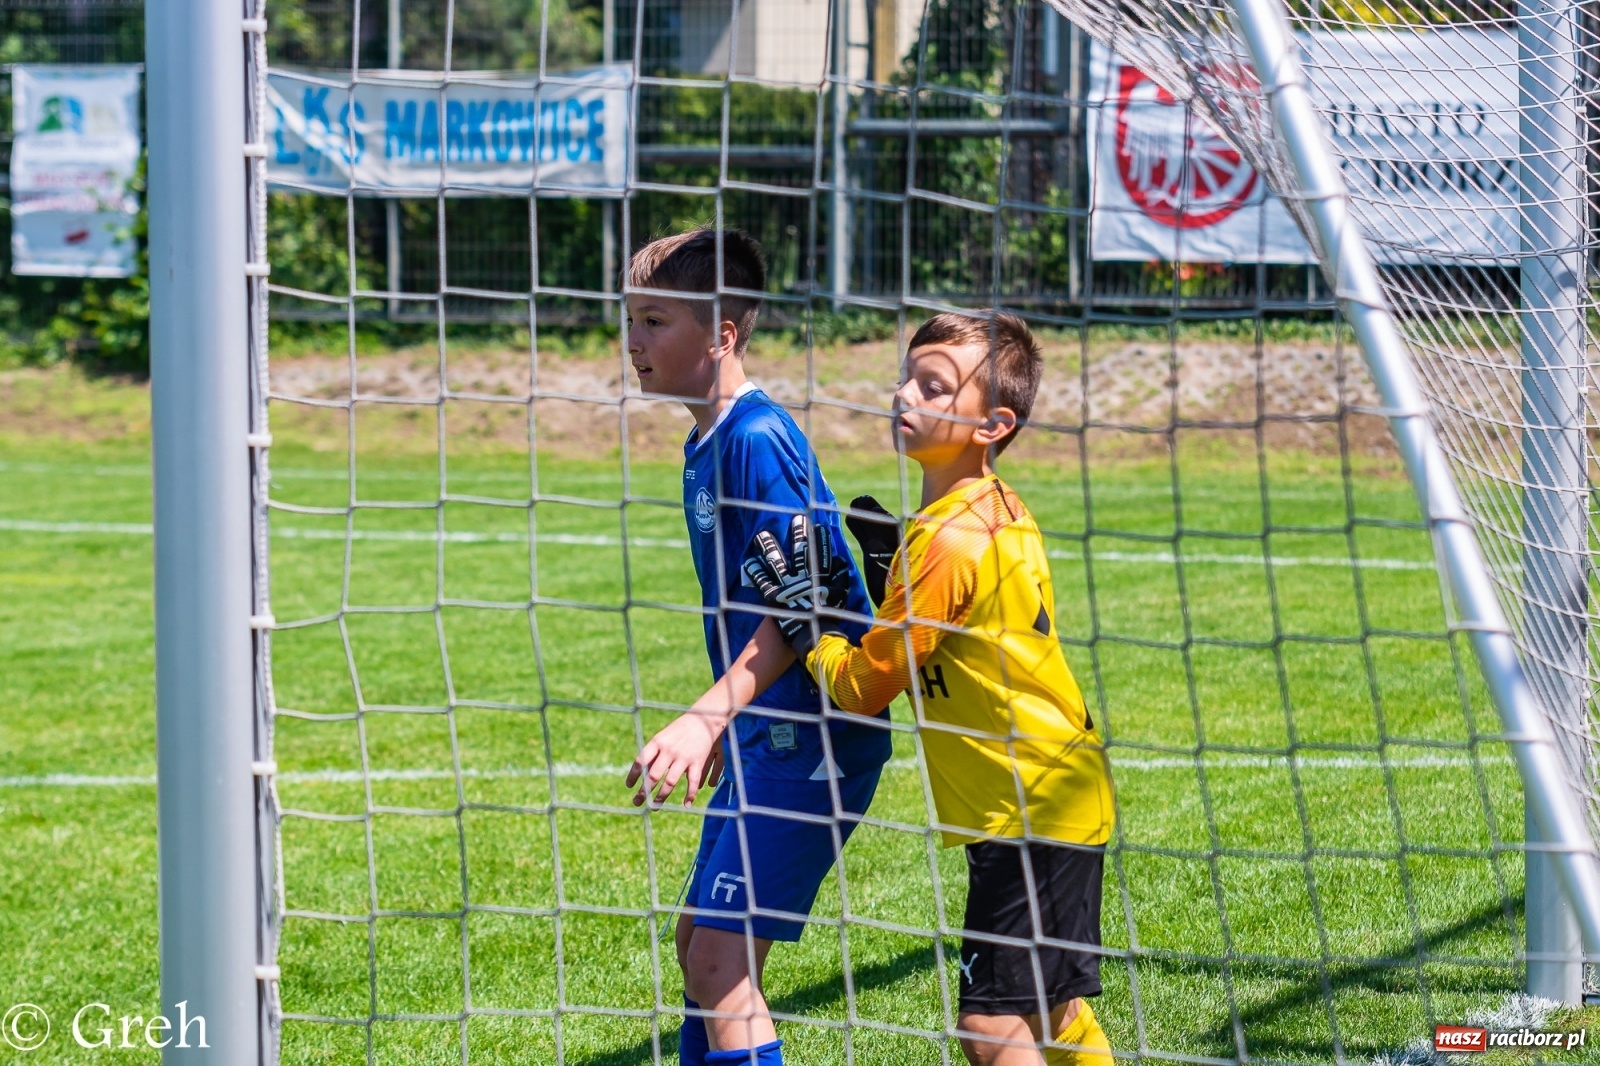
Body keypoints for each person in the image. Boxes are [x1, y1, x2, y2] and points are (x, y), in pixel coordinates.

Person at [743, 311, 1116, 1065]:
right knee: (1050, 1010)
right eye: (908, 377)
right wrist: (891, 581)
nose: (905, 394)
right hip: (1056, 792)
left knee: (991, 1029)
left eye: (934, 386)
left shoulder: (946, 540)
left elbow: (862, 688)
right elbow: (962, 640)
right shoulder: (995, 509)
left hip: (1028, 808)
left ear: (993, 424)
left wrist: (808, 629)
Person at [619, 227, 891, 1066]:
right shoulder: (708, 440)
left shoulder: (756, 440)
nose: (634, 342)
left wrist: (705, 719)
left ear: (724, 334)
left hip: (812, 740)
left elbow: (804, 611)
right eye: (629, 319)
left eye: (656, 320)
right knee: (701, 943)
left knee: (718, 961)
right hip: (763, 734)